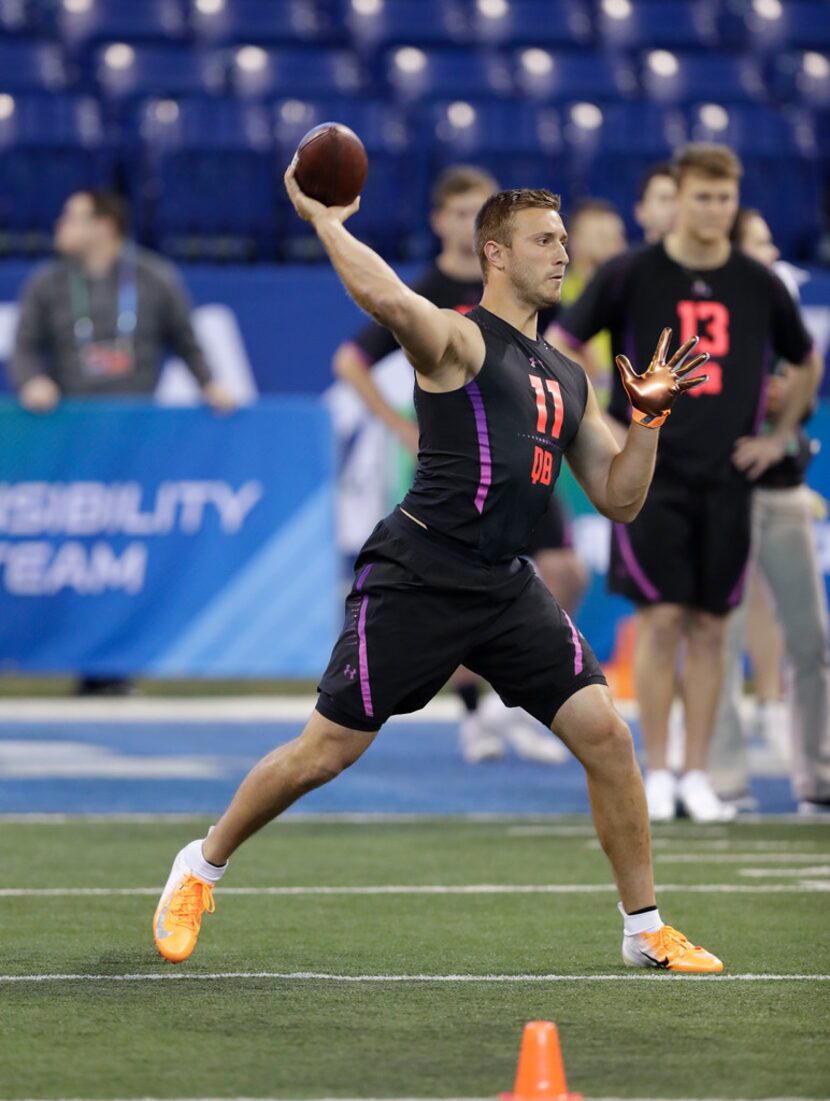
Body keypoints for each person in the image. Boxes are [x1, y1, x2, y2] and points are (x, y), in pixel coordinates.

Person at [153, 172, 724, 975]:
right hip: (418, 572)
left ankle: (644, 928)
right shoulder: (458, 339)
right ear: (494, 254)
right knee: (323, 754)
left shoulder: (567, 372)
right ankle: (200, 864)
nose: (564, 251)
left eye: (564, 238)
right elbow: (387, 298)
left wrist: (650, 419)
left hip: (504, 584)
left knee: (607, 735)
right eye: (544, 240)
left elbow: (619, 499)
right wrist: (324, 221)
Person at [550, 144, 823, 823]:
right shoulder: (631, 273)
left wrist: (778, 435)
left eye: (726, 198)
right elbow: (560, 341)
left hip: (730, 479)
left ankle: (698, 773)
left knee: (711, 625)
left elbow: (806, 359)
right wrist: (604, 420)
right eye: (703, 196)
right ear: (679, 197)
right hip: (654, 475)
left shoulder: (757, 282)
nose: (714, 210)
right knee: (661, 620)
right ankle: (661, 767)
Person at [334, 165, 587, 765]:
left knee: (567, 571)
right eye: (459, 210)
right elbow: (353, 354)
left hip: (526, 458)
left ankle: (511, 697)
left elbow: (561, 353)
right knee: (331, 744)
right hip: (457, 461)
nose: (559, 254)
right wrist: (397, 424)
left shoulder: (529, 290)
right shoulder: (432, 291)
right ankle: (477, 712)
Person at [10, 189, 235, 695]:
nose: (60, 224)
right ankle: (72, 657)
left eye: (73, 217)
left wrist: (209, 384)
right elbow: (23, 345)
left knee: (126, 553)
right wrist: (31, 382)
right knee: (76, 554)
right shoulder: (49, 282)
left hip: (137, 439)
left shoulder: (153, 277)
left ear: (105, 225)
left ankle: (113, 667)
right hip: (70, 438)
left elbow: (185, 338)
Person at [709, 207, 830, 814]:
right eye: (758, 241)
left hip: (780, 485)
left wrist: (780, 431)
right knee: (723, 637)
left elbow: (811, 367)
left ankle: (819, 776)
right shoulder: (713, 305)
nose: (773, 248)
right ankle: (726, 780)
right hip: (724, 485)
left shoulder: (776, 301)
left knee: (811, 638)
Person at [633, 162, 678, 245]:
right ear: (640, 212)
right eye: (664, 199)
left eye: (679, 199)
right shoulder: (625, 258)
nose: (674, 208)